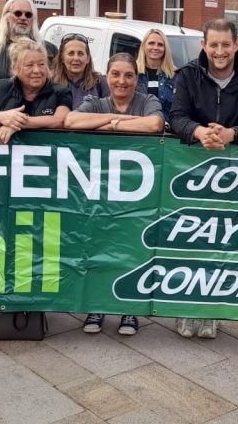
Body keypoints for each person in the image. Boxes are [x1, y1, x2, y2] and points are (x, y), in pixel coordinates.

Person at [168, 18, 238, 339]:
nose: (219, 51)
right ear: (203, 45)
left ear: (236, 45)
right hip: (191, 170)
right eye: (213, 45)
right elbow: (176, 117)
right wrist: (199, 132)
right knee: (189, 241)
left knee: (222, 242)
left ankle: (213, 309)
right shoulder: (187, 75)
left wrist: (232, 134)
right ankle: (185, 308)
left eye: (225, 45)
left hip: (235, 175)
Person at [66, 53, 165, 337]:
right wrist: (115, 117)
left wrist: (113, 126)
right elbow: (72, 121)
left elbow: (154, 125)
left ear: (137, 78)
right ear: (106, 77)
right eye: (116, 75)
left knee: (131, 245)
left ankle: (128, 310)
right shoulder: (95, 101)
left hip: (137, 189)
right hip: (98, 187)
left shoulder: (147, 101)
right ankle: (96, 305)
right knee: (97, 243)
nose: (122, 81)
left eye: (128, 75)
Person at [0, 37, 71, 144]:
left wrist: (18, 123)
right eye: (29, 65)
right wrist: (2, 117)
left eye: (41, 64)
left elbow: (61, 120)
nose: (37, 70)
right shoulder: (0, 88)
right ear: (15, 68)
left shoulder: (61, 92)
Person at [0, 0, 58, 79]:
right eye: (18, 13)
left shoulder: (50, 49)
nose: (23, 18)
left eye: (28, 15)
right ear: (7, 16)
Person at [52, 33, 109, 108]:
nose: (76, 58)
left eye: (80, 54)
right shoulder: (51, 84)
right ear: (62, 58)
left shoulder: (100, 83)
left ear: (88, 58)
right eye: (71, 53)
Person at [135, 28, 175, 122]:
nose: (155, 47)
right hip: (137, 129)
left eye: (160, 44)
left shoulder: (174, 76)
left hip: (166, 131)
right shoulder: (133, 73)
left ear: (165, 49)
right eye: (151, 43)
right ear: (144, 46)